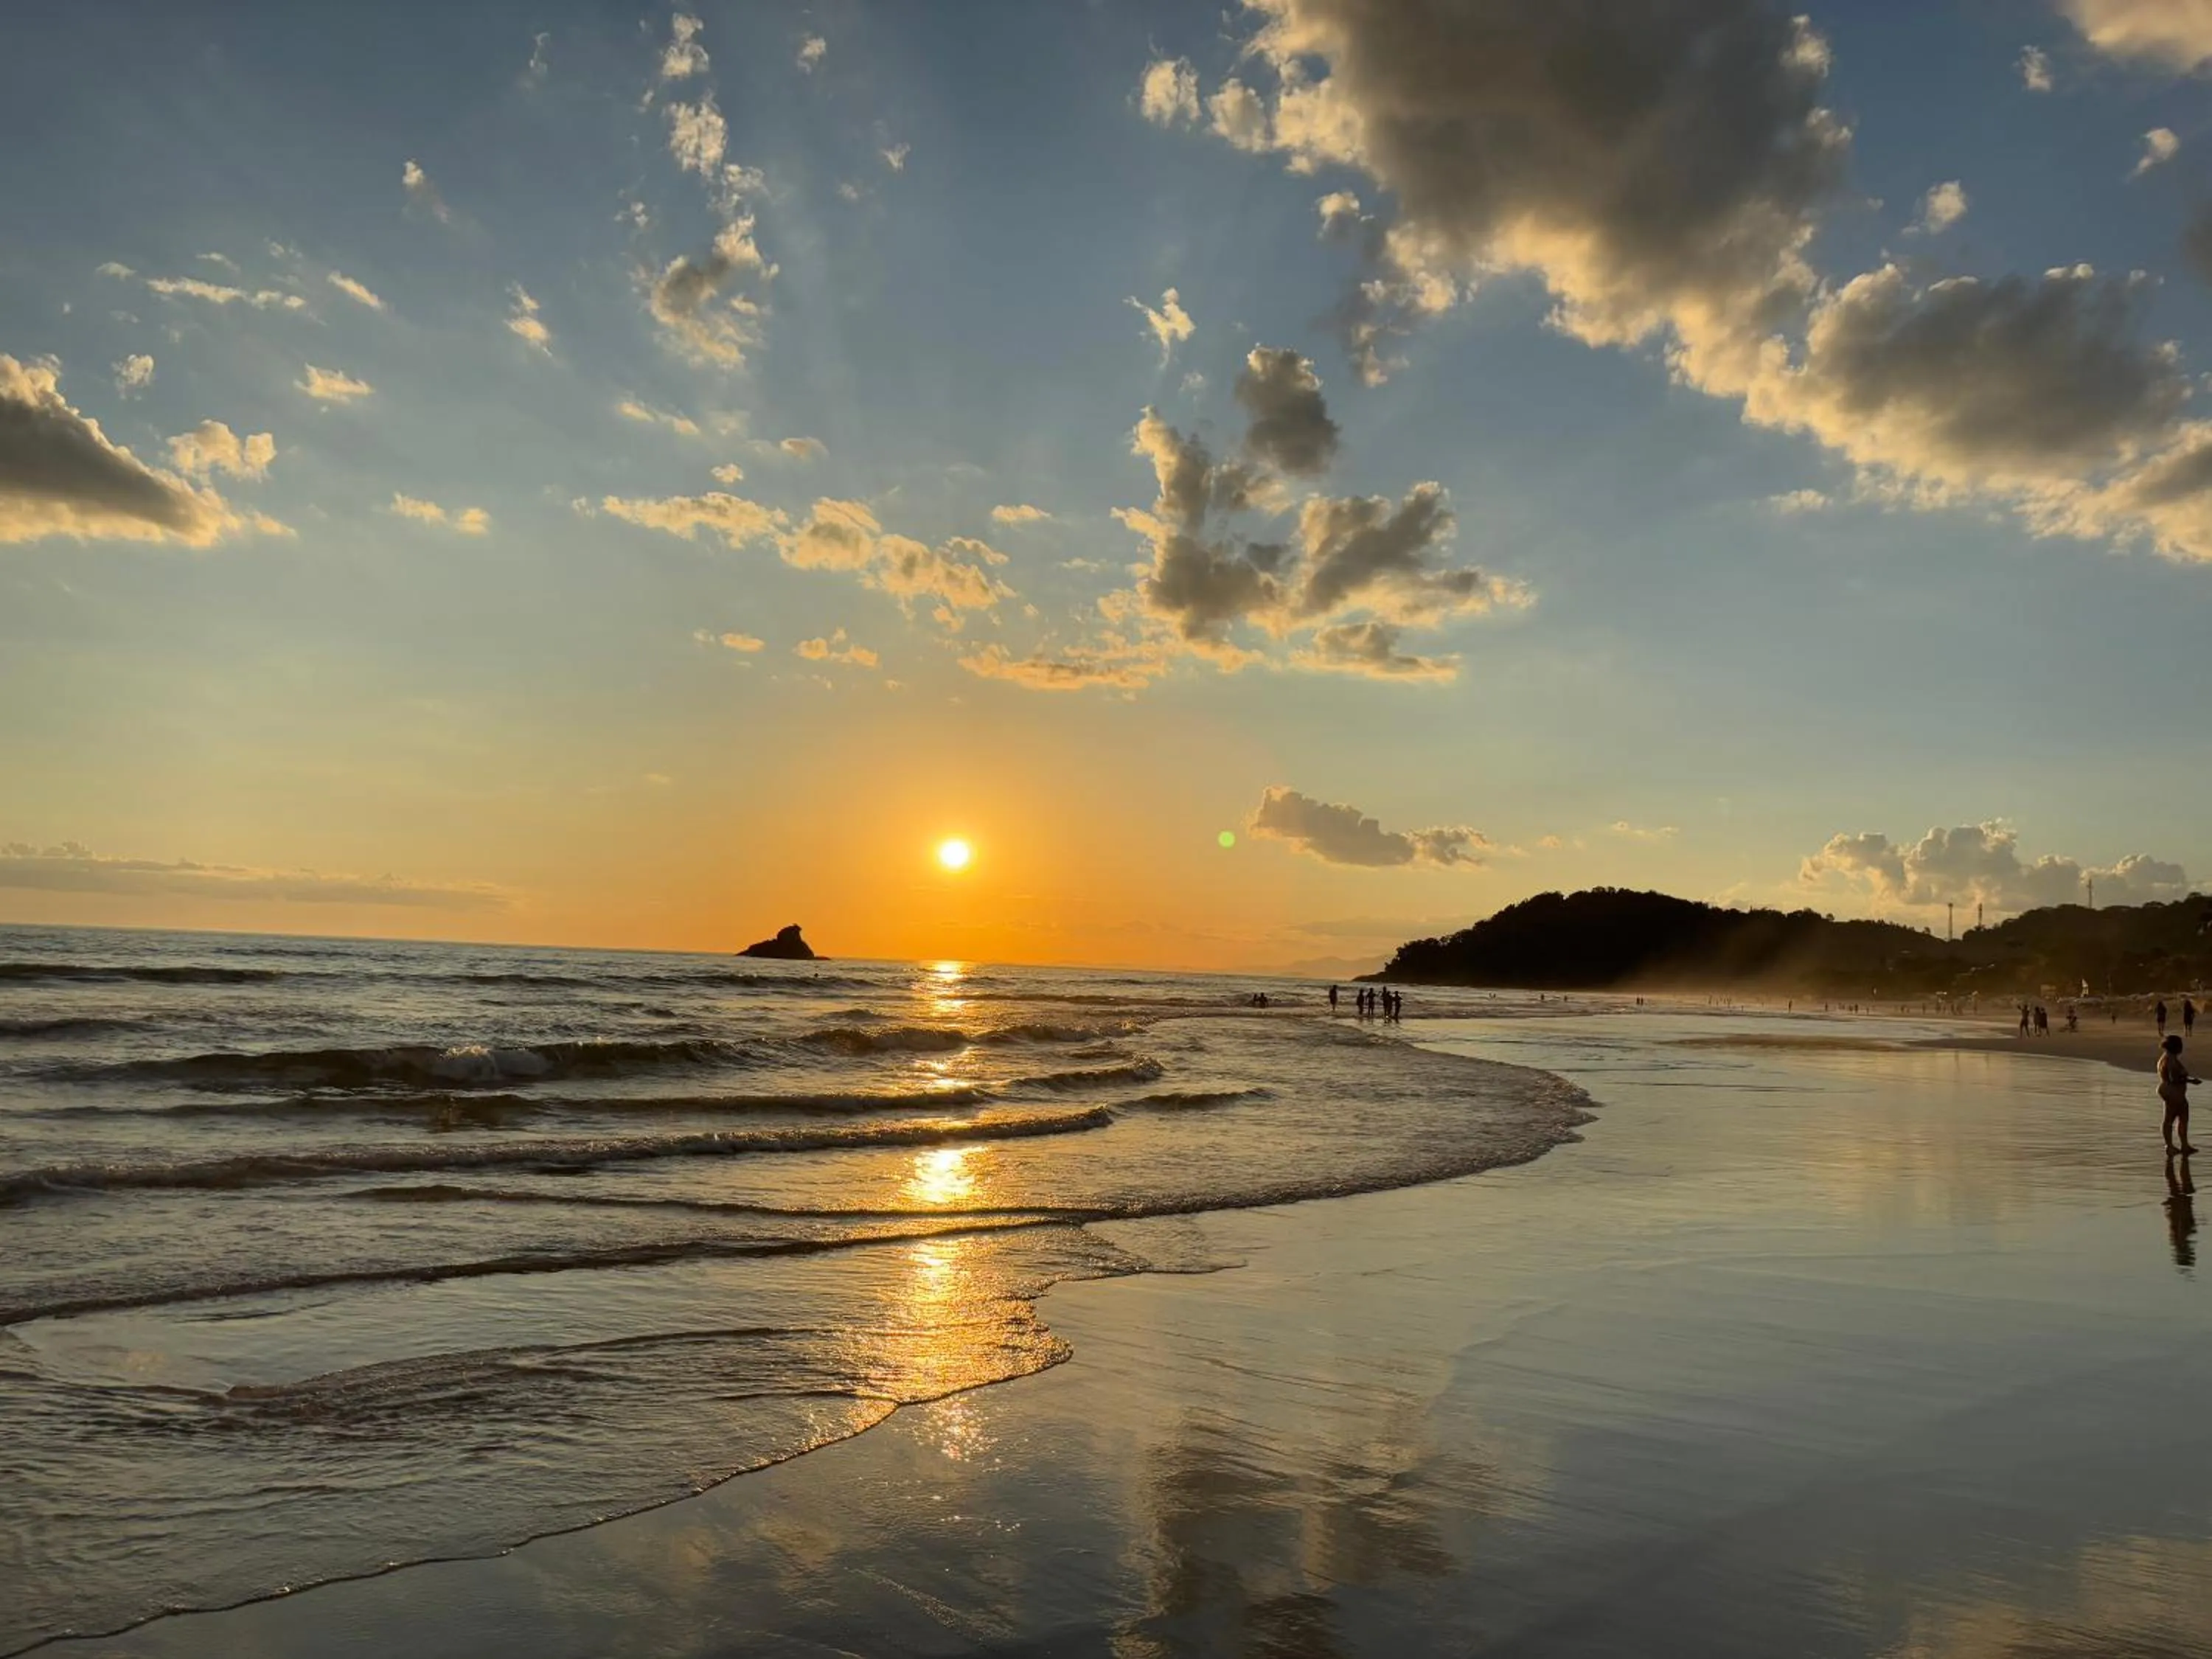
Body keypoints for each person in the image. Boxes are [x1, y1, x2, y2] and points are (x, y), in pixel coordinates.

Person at [2159, 1034, 2202, 1155]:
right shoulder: (2171, 1060)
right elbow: (2174, 1078)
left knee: (2175, 1119)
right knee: (2174, 1119)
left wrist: (2187, 1079)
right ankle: (2173, 1146)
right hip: (2174, 1093)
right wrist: (2191, 1081)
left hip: (2171, 1092)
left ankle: (2178, 1145)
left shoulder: (2166, 1057)